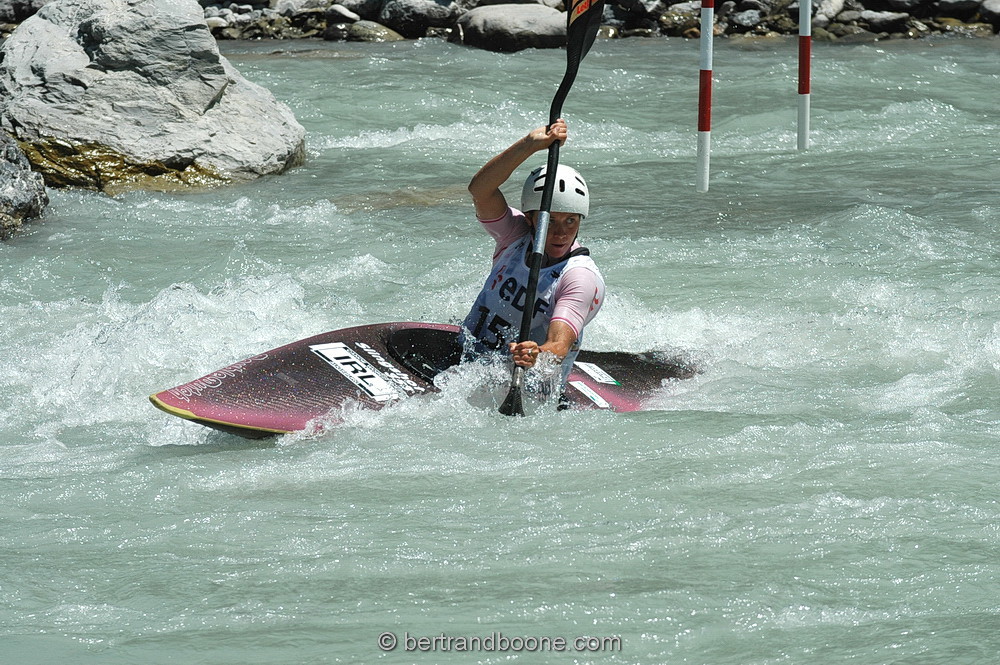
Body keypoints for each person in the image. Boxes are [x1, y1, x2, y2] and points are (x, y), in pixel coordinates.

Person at [461, 119, 605, 392]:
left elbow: (559, 345)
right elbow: (480, 190)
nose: (561, 233)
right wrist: (528, 145)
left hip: (526, 389)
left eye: (571, 221)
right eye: (549, 221)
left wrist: (537, 353)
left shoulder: (580, 277)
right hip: (466, 364)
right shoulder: (514, 235)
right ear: (530, 218)